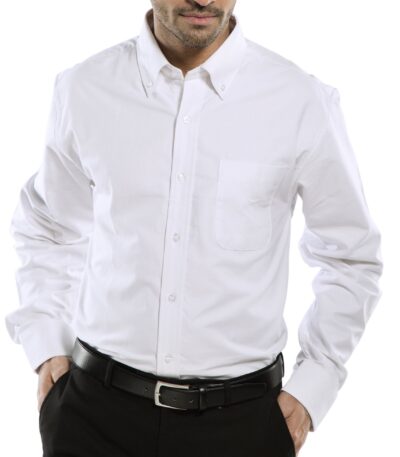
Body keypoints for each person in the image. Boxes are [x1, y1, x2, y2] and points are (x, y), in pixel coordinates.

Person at [5, 1, 383, 456]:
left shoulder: (299, 100)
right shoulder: (86, 88)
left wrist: (313, 387)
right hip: (93, 418)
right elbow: (49, 227)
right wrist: (47, 344)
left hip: (241, 428)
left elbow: (350, 255)